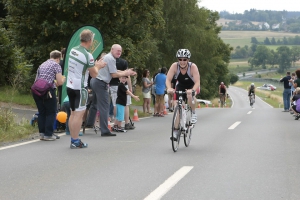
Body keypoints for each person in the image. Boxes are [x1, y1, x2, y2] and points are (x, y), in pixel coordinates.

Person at [66, 29, 107, 148]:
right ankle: (75, 141)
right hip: (80, 87)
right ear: (90, 40)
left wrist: (94, 66)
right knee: (79, 114)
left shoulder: (73, 50)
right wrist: (98, 66)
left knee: (73, 114)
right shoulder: (87, 55)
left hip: (70, 85)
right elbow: (94, 74)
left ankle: (73, 139)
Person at [85, 44, 136, 137]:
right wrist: (126, 72)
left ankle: (89, 123)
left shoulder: (107, 57)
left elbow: (115, 71)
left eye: (120, 51)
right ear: (112, 50)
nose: (119, 53)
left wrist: (126, 72)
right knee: (105, 107)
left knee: (95, 103)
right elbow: (114, 74)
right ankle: (105, 130)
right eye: (117, 51)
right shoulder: (111, 59)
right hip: (100, 83)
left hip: (95, 81)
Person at [32, 50, 65, 141]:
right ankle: (48, 134)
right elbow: (59, 82)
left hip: (36, 89)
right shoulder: (56, 65)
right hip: (47, 91)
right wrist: (63, 80)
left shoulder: (42, 64)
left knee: (41, 112)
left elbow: (37, 79)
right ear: (58, 58)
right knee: (51, 112)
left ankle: (42, 134)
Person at [166, 49, 200, 125]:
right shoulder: (174, 66)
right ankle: (176, 131)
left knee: (190, 95)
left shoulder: (193, 67)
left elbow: (197, 82)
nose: (182, 61)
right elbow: (168, 79)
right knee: (176, 108)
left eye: (184, 59)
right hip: (180, 86)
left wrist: (192, 90)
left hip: (192, 85)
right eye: (180, 59)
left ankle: (194, 113)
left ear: (188, 60)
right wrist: (169, 88)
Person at [109, 58, 135, 130]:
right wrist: (130, 87)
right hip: (123, 85)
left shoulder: (110, 61)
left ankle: (116, 123)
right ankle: (126, 123)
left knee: (115, 104)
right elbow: (128, 75)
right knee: (126, 104)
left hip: (113, 84)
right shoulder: (123, 62)